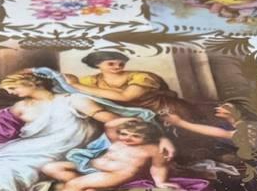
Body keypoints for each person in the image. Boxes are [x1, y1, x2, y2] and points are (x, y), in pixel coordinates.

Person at [60, 51, 239, 141]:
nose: (117, 67)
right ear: (98, 65)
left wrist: (77, 85)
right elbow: (70, 91)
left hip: (165, 111)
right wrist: (69, 83)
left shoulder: (142, 76)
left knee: (188, 140)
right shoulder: (91, 80)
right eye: (111, 64)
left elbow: (127, 97)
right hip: (132, 116)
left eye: (120, 63)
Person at [33, 118, 174, 191]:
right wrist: (133, 119)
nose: (128, 138)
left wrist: (160, 182)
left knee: (74, 184)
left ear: (148, 138)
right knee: (49, 167)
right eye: (124, 134)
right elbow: (109, 124)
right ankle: (91, 187)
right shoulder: (118, 140)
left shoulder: (153, 149)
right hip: (90, 166)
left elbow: (158, 167)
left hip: (114, 175)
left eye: (136, 136)